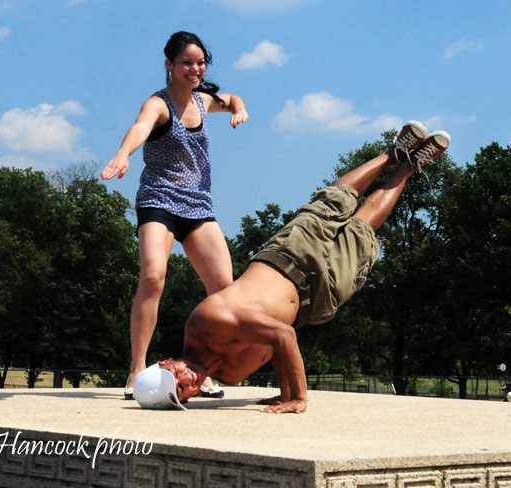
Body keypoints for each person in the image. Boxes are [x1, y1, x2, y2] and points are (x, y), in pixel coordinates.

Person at [133, 121, 450, 413]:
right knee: (362, 230)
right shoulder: (229, 376)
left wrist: (297, 397)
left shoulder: (205, 324)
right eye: (182, 392)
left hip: (286, 259)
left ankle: (392, 153)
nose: (186, 381)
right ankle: (409, 167)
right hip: (314, 301)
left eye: (174, 375)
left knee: (334, 201)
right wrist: (284, 393)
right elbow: (274, 347)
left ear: (166, 361)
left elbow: (281, 334)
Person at [100, 32, 248, 400]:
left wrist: (239, 109)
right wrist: (123, 154)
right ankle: (137, 369)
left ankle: (202, 369)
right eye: (186, 63)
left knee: (224, 289)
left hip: (198, 204)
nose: (195, 69)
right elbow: (140, 127)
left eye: (200, 63)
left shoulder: (204, 100)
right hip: (159, 200)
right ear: (169, 64)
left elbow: (232, 98)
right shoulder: (158, 104)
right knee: (153, 277)